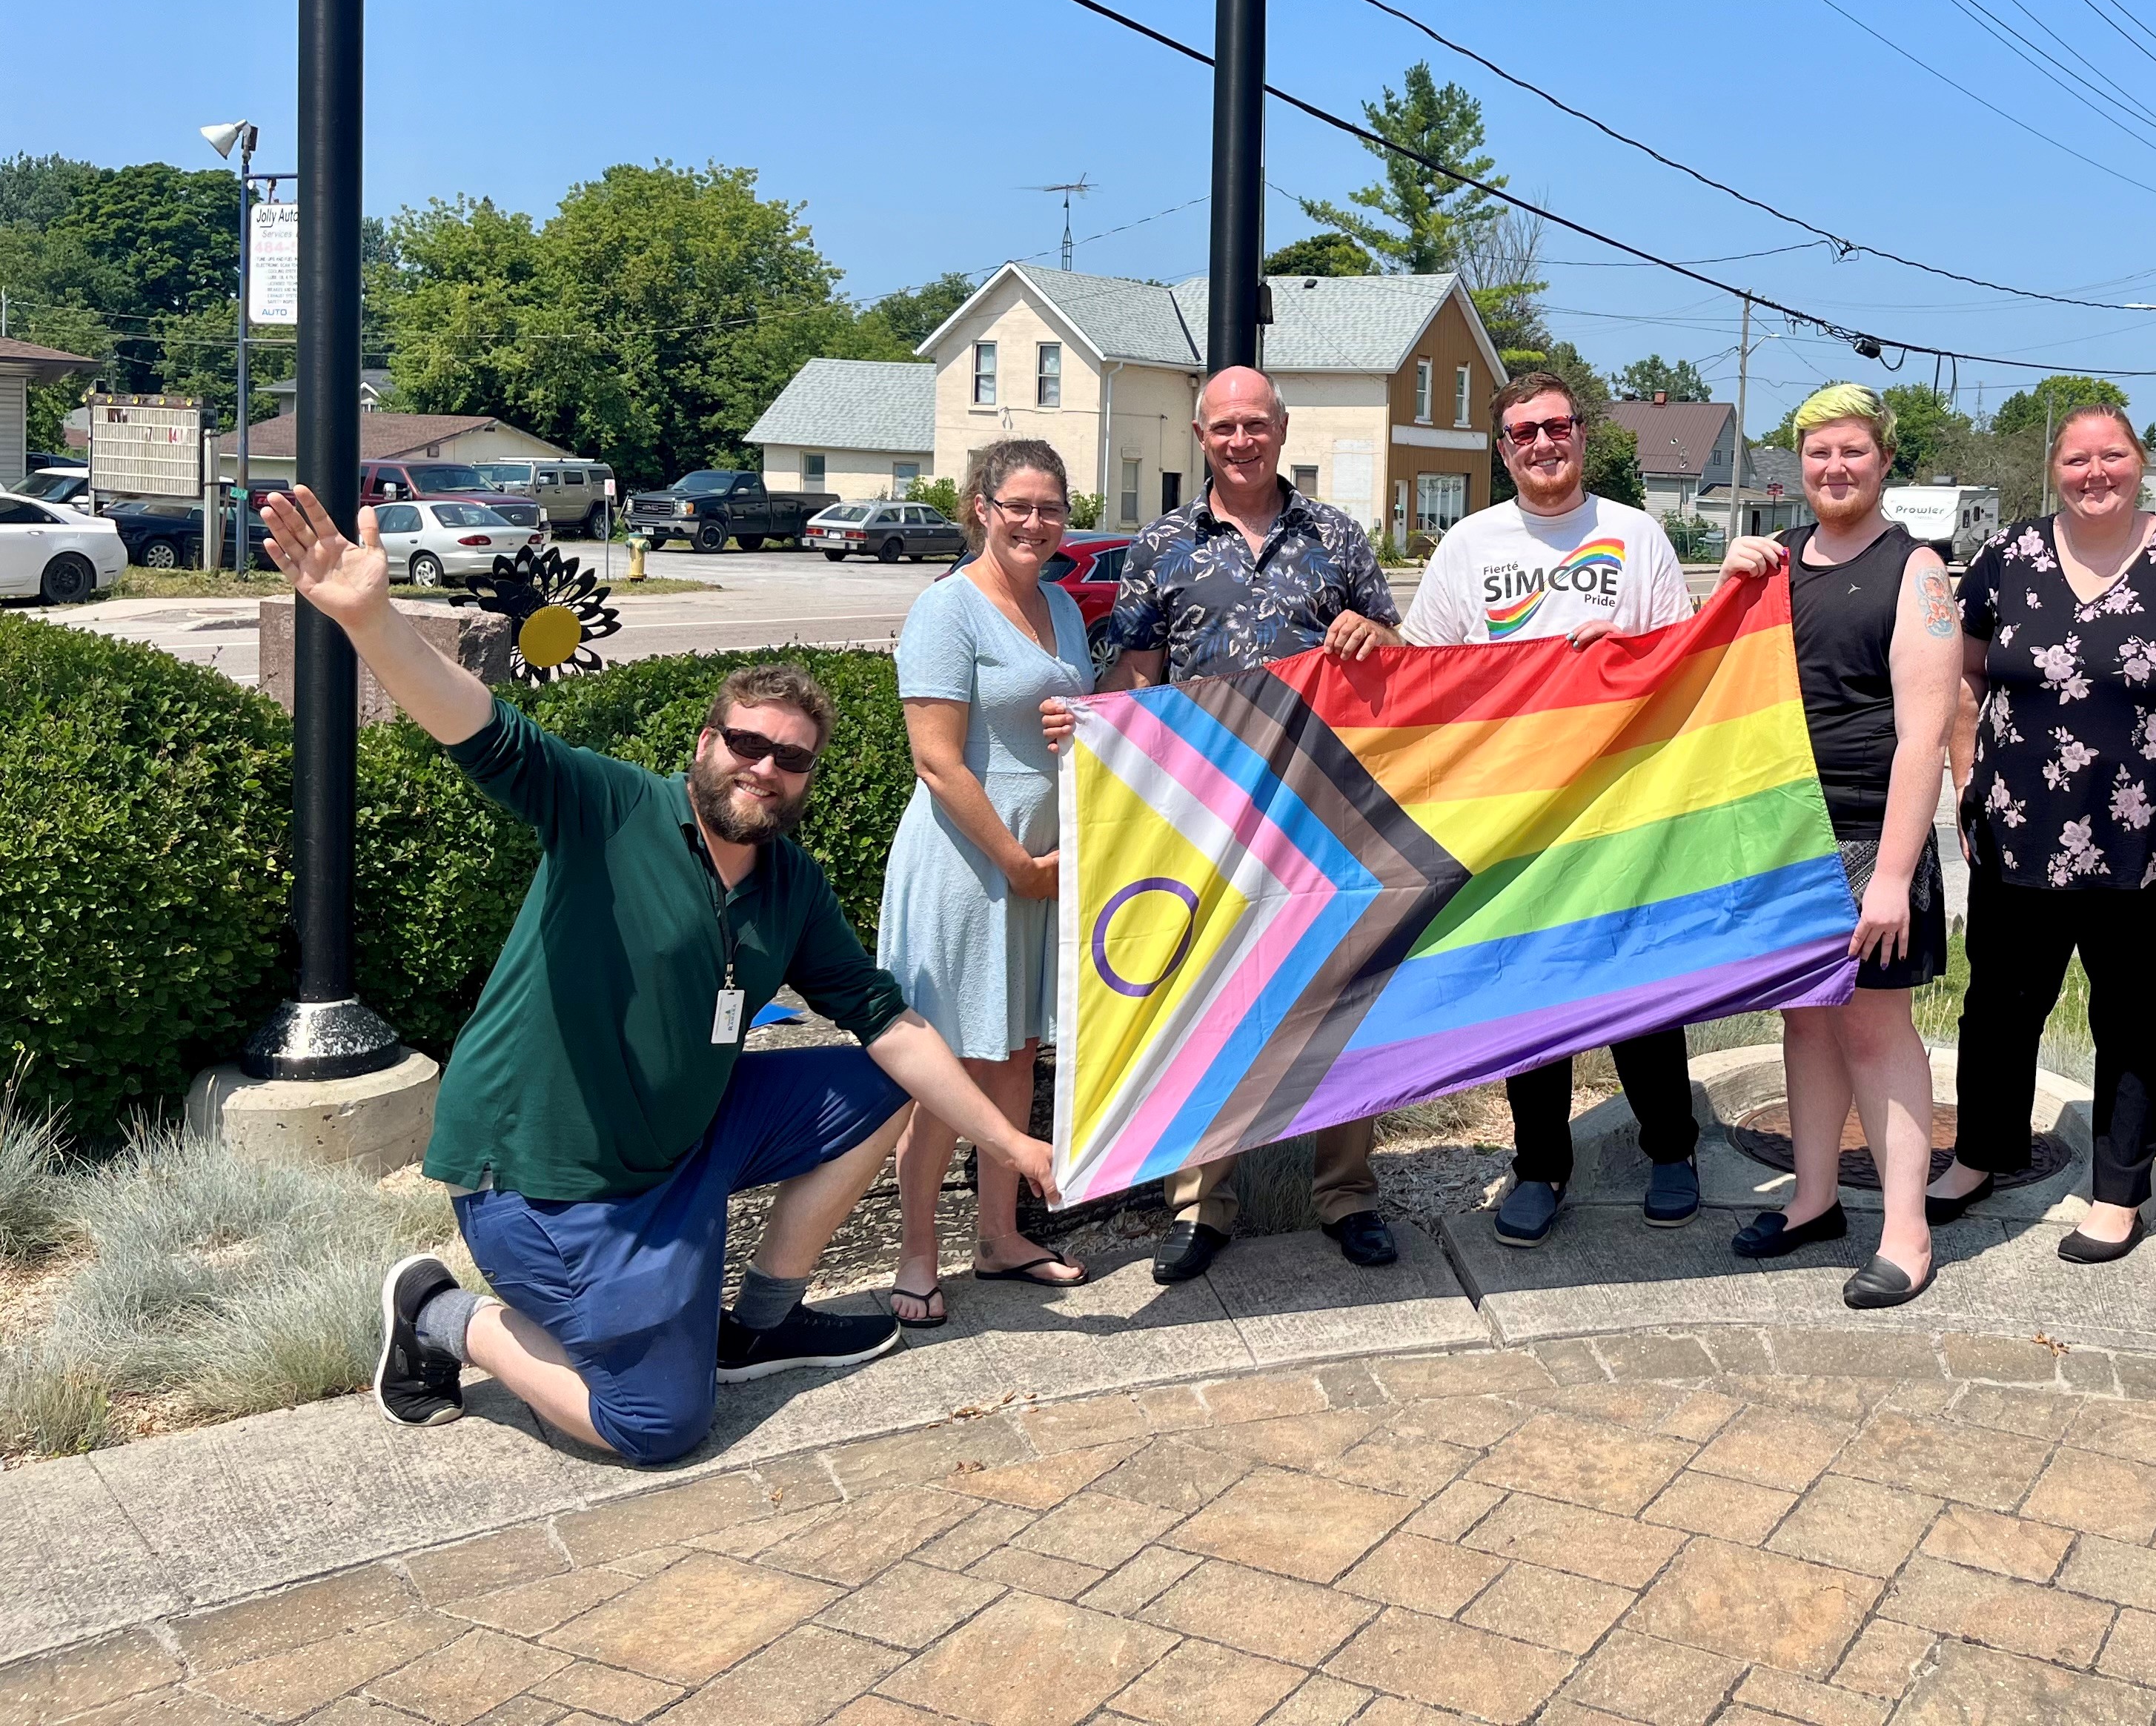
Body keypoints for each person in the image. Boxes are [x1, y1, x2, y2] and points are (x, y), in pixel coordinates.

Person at [255, 485, 1064, 1468]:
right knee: (656, 1426)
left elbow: (886, 1024)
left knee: (888, 1073)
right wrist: (372, 619)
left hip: (687, 1142)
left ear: (811, 780)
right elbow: (481, 728)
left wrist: (1014, 1143)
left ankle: (760, 1324)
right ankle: (440, 1314)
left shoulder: (789, 884)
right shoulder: (608, 808)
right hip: (550, 1184)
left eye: (792, 760)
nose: (764, 769)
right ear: (705, 746)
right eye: (747, 744)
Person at [1936, 405, 2156, 1264]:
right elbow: (1964, 678)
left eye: (2111, 455)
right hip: (2017, 832)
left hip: (2151, 840)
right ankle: (1981, 1154)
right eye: (2077, 458)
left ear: (2139, 461)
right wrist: (1966, 777)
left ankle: (2119, 1189)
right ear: (2054, 467)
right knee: (2000, 1007)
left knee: (2137, 1016)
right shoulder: (2008, 558)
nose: (2095, 473)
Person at [1383, 370, 1702, 1245]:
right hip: (1515, 814)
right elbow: (1425, 676)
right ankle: (1539, 1166)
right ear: (1502, 450)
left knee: (1641, 986)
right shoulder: (1470, 545)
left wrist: (1629, 650)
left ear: (1580, 435)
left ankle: (1672, 1149)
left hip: (1620, 806)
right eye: (1523, 433)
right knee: (1533, 997)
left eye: (1555, 427)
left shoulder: (1633, 536)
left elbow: (1680, 664)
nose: (1542, 445)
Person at [1101, 365, 1404, 1282]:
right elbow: (1133, 679)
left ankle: (1347, 1195)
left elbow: (1402, 657)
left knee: (1340, 999)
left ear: (1281, 429)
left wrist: (1372, 637)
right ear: (1202, 437)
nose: (1242, 440)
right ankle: (1200, 1208)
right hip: (1203, 814)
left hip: (1325, 805)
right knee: (1203, 1005)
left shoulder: (1337, 536)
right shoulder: (1159, 546)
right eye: (1224, 427)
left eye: (1256, 424)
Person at [1717, 385, 1961, 1309]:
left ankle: (1906, 1232)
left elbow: (1923, 736)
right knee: (1804, 1018)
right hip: (1784, 834)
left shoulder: (1919, 572)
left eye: (1853, 451)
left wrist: (1894, 876)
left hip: (1870, 836)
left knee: (1873, 1028)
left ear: (1884, 460)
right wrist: (1728, 582)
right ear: (1799, 465)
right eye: (1819, 453)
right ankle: (1813, 1200)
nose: (1835, 468)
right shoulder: (1776, 564)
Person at [876, 440, 1094, 1327]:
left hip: (1040, 869)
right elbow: (935, 760)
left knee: (1013, 1052)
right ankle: (918, 1252)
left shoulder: (1063, 608)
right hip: (971, 869)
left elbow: (1074, 717)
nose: (1035, 523)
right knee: (952, 1061)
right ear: (980, 506)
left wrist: (1074, 722)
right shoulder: (947, 610)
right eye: (1019, 506)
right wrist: (1015, 863)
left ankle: (1000, 1237)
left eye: (1051, 508)